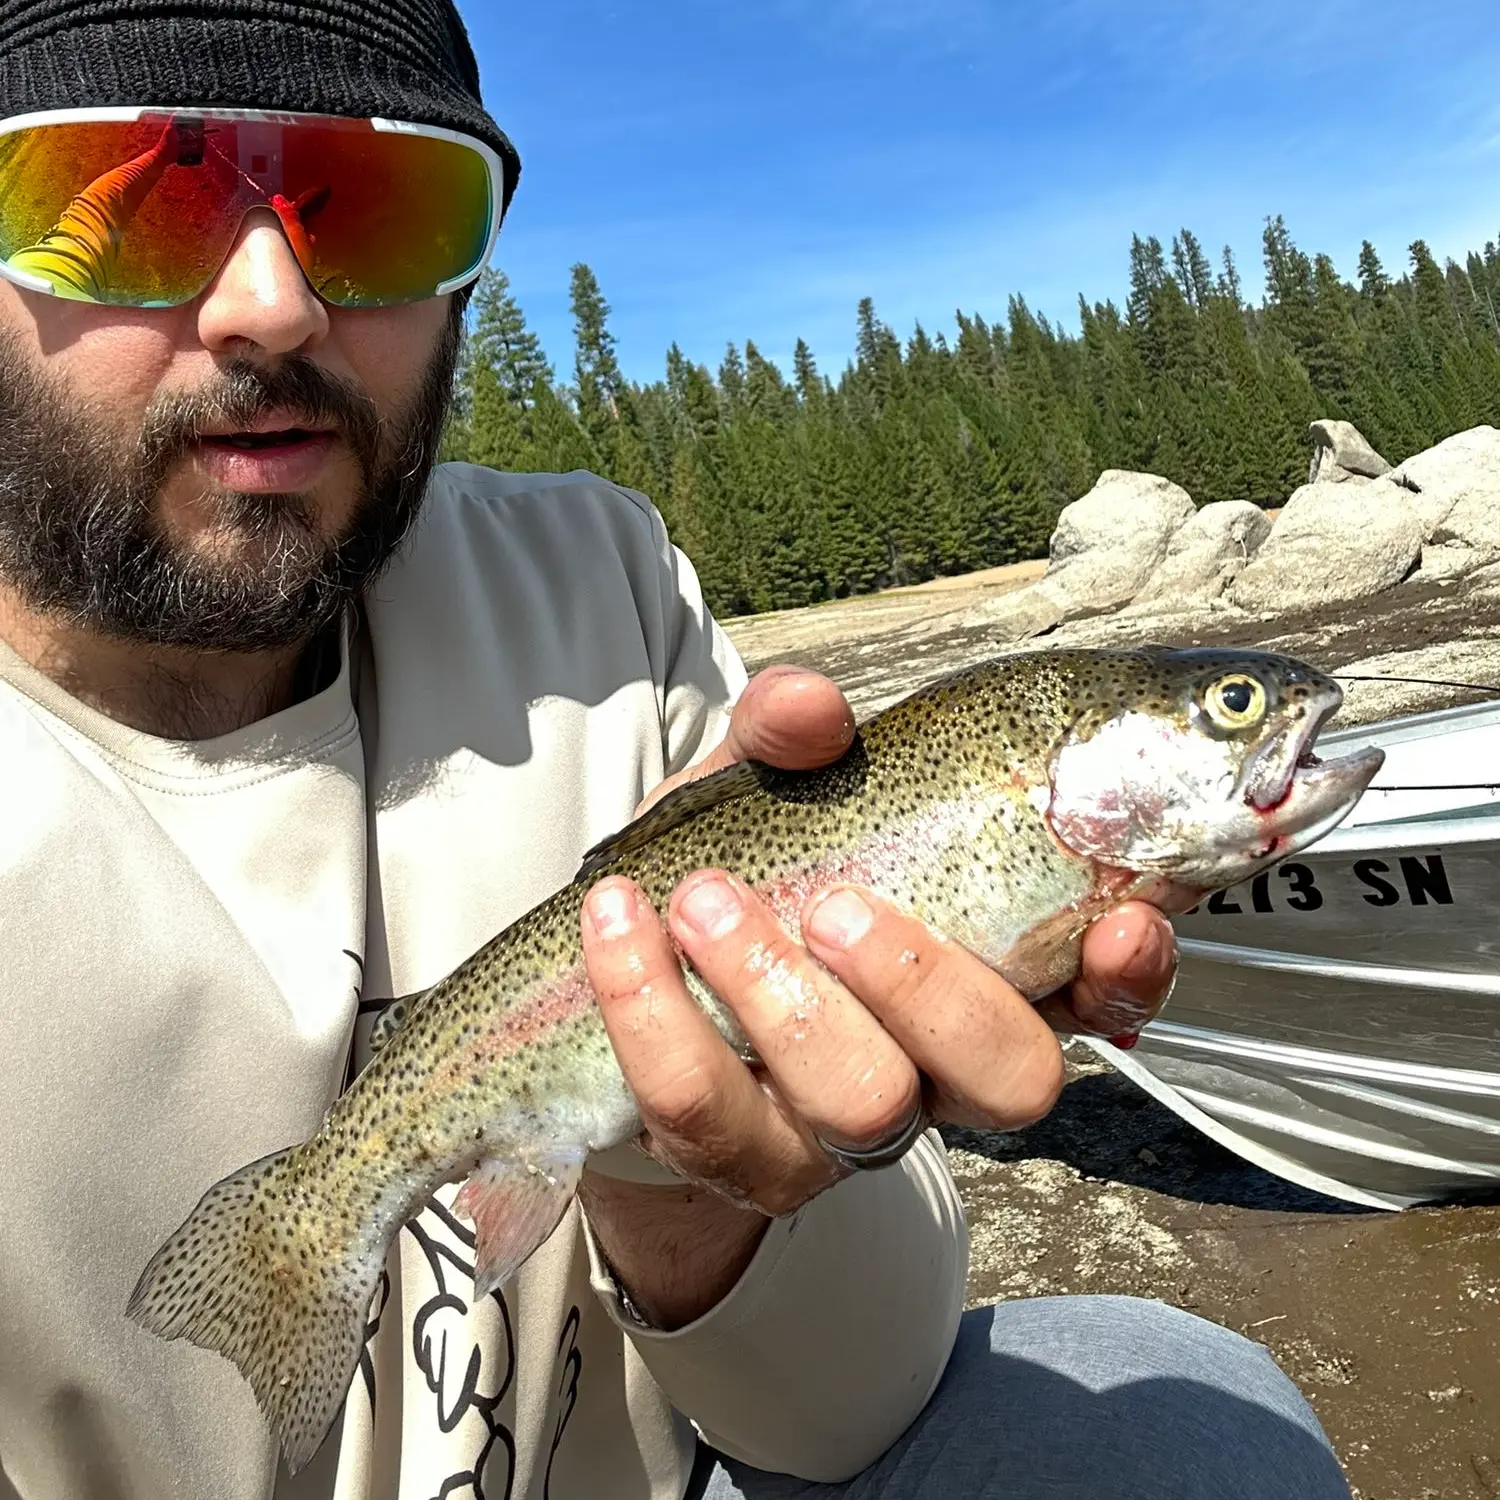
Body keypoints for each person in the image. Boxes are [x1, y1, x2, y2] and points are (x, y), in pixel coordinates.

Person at [0, 3, 1352, 1499]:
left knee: (1186, 1418)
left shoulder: (599, 583)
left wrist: (689, 1191)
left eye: (377, 207)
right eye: (124, 204)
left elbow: (843, 1416)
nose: (272, 303)